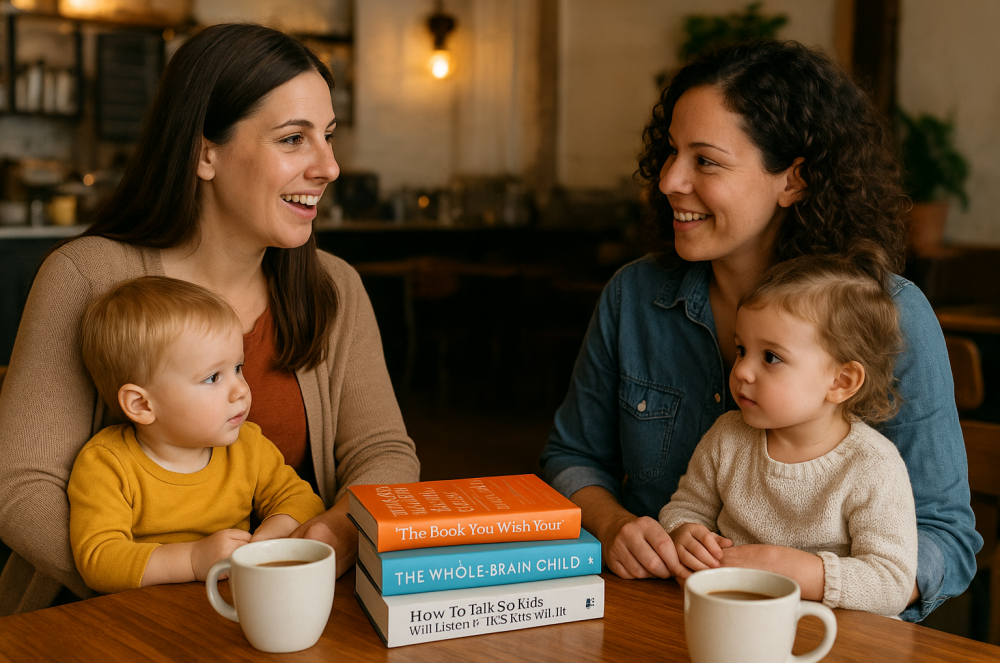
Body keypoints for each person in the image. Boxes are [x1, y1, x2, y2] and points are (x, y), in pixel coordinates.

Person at [539, 40, 980, 622]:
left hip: (826, 639)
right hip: (659, 614)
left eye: (706, 161)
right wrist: (613, 524)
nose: (669, 180)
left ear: (794, 180)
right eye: (671, 152)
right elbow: (572, 456)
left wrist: (815, 577)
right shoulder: (634, 295)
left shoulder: (892, 315)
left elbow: (946, 536)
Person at [0, 24, 419, 614]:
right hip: (99, 621)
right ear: (204, 153)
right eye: (293, 139)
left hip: (283, 611)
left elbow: (385, 453)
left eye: (327, 137)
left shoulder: (336, 287)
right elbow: (21, 489)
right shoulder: (86, 276)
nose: (329, 167)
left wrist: (334, 536)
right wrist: (178, 585)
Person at [659, 250, 917, 616]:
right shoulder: (727, 437)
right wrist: (684, 533)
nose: (742, 370)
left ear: (841, 381)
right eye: (742, 349)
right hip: (735, 619)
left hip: (833, 635)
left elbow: (891, 584)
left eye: (771, 357)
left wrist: (782, 566)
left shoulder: (873, 466)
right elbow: (686, 508)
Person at [69, 276, 327, 594]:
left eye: (238, 368)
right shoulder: (107, 464)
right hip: (143, 614)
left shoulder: (248, 446)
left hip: (230, 604)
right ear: (141, 405)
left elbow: (303, 500)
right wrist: (193, 559)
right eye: (213, 377)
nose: (241, 389)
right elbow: (100, 560)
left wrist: (267, 541)